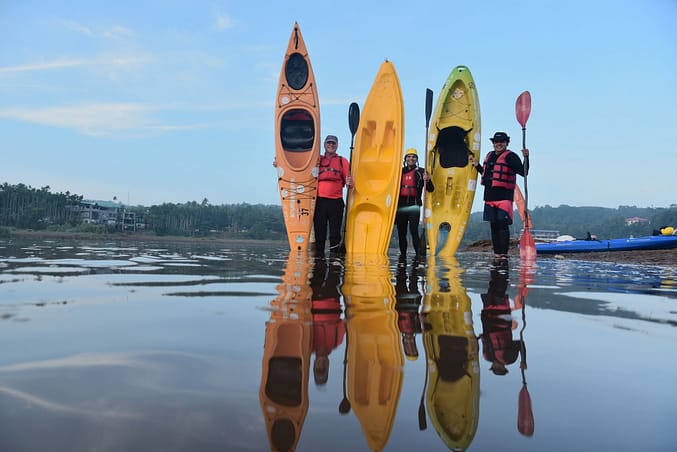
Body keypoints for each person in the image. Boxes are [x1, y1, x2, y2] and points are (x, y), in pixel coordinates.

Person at [274, 134, 351, 257]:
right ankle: (318, 260)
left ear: (337, 146)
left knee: (335, 234)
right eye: (329, 143)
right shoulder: (316, 160)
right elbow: (299, 166)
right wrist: (279, 163)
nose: (331, 145)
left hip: (336, 202)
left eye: (333, 143)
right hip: (319, 202)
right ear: (325, 145)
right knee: (320, 232)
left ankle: (334, 260)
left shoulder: (343, 161)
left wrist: (350, 182)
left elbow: (349, 183)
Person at [471, 132, 529, 259]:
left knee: (502, 225)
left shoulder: (511, 157)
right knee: (494, 226)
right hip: (489, 197)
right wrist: (477, 166)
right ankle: (497, 253)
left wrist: (526, 158)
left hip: (504, 197)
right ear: (493, 143)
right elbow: (486, 174)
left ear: (506, 143)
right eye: (496, 142)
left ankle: (504, 254)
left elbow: (524, 172)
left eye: (502, 142)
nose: (499, 144)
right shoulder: (489, 155)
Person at [310, 258, 345, 385]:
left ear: (314, 365)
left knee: (318, 266)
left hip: (314, 296)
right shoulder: (337, 342)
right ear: (328, 365)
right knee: (334, 269)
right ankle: (334, 257)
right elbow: (346, 322)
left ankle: (325, 254)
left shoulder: (307, 345)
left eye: (318, 368)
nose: (321, 364)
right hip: (332, 297)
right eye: (323, 368)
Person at [395, 148, 434, 256]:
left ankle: (418, 256)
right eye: (408, 156)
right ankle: (403, 255)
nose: (411, 158)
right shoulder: (400, 172)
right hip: (401, 206)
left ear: (416, 159)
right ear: (405, 159)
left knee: (413, 231)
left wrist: (428, 180)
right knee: (401, 232)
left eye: (413, 157)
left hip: (414, 206)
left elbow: (431, 189)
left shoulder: (422, 172)